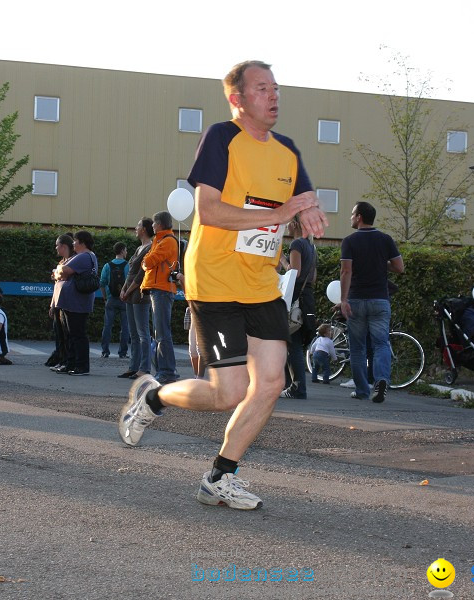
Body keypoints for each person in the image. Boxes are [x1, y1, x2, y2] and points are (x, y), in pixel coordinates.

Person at [118, 60, 327, 510]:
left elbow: (301, 204)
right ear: (237, 99)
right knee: (227, 391)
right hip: (215, 283)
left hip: (261, 284)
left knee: (270, 382)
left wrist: (307, 213)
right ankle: (153, 396)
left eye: (276, 88)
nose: (273, 97)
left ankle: (220, 476)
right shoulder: (220, 138)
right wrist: (280, 212)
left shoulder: (288, 151)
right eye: (261, 89)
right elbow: (209, 211)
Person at [339, 201, 403, 404]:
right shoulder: (385, 239)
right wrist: (379, 264)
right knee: (381, 343)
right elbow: (399, 267)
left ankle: (361, 390)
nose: (350, 218)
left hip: (356, 300)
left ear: (359, 217)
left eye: (352, 214)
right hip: (379, 300)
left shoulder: (349, 241)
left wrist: (343, 299)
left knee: (357, 348)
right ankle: (381, 380)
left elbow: (346, 270)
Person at [141, 210, 179, 385]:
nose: (153, 226)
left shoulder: (167, 241)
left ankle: (167, 371)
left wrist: (146, 260)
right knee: (160, 332)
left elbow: (148, 261)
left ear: (161, 224)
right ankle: (164, 370)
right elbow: (148, 260)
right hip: (160, 289)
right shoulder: (162, 240)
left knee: (162, 332)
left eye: (155, 224)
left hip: (162, 289)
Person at [280, 219, 317, 399]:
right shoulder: (311, 246)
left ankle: (296, 387)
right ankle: (292, 385)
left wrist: (282, 260)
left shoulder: (296, 244)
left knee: (291, 343)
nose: (286, 225)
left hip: (295, 297)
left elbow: (294, 272)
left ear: (295, 224)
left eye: (288, 222)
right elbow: (313, 277)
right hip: (307, 297)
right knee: (294, 343)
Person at [57, 231, 98, 375]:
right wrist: (60, 271)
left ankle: (81, 366)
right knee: (72, 334)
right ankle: (71, 363)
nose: (73, 243)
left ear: (81, 242)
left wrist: (59, 271)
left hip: (77, 303)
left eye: (74, 241)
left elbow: (63, 269)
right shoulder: (86, 256)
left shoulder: (83, 257)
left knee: (77, 334)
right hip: (73, 302)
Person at [118, 218, 154, 379]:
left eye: (138, 225)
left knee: (142, 333)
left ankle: (144, 368)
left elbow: (141, 275)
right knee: (134, 333)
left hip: (140, 294)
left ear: (145, 229)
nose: (135, 228)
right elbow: (131, 271)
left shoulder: (150, 248)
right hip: (130, 293)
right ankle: (134, 366)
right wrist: (124, 289)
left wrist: (128, 290)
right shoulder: (139, 248)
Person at [47, 234, 75, 372]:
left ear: (64, 246)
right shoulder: (61, 263)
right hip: (58, 302)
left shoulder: (71, 263)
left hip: (66, 302)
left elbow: (61, 278)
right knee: (59, 334)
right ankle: (61, 359)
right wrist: (52, 304)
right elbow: (57, 284)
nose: (56, 248)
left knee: (66, 334)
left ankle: (67, 361)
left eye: (57, 245)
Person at [99, 242, 130, 359]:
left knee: (107, 326)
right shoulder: (128, 265)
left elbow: (102, 283)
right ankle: (122, 352)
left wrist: (105, 298)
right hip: (125, 300)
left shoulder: (107, 266)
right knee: (125, 327)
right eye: (126, 250)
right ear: (122, 251)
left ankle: (105, 351)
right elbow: (131, 282)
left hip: (111, 299)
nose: (126, 252)